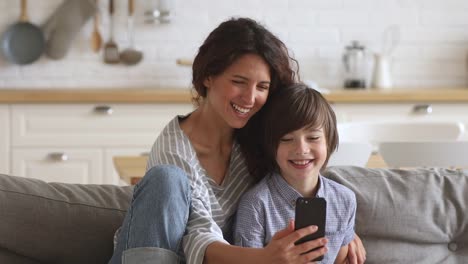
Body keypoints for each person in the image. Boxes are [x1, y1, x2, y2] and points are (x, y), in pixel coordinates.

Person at [109, 17, 365, 264]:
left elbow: (305, 169)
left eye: (262, 87)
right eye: (238, 82)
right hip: (154, 255)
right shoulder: (175, 151)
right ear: (208, 76)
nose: (250, 98)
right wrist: (265, 259)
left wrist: (341, 229)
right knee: (166, 178)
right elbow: (200, 234)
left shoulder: (260, 136)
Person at [234, 83, 357, 263]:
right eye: (286, 139)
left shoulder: (345, 200)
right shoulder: (255, 204)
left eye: (313, 138)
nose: (301, 149)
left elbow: (340, 258)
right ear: (271, 146)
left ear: (329, 141)